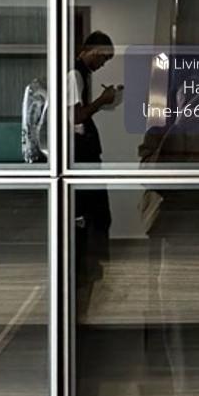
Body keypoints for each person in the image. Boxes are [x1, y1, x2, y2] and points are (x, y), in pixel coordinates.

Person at [68, 30, 119, 301]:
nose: (102, 65)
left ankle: (89, 269)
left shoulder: (80, 75)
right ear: (94, 51)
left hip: (84, 153)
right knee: (93, 212)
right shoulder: (74, 74)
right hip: (81, 155)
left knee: (95, 212)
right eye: (103, 58)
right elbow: (75, 117)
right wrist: (102, 101)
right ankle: (84, 272)